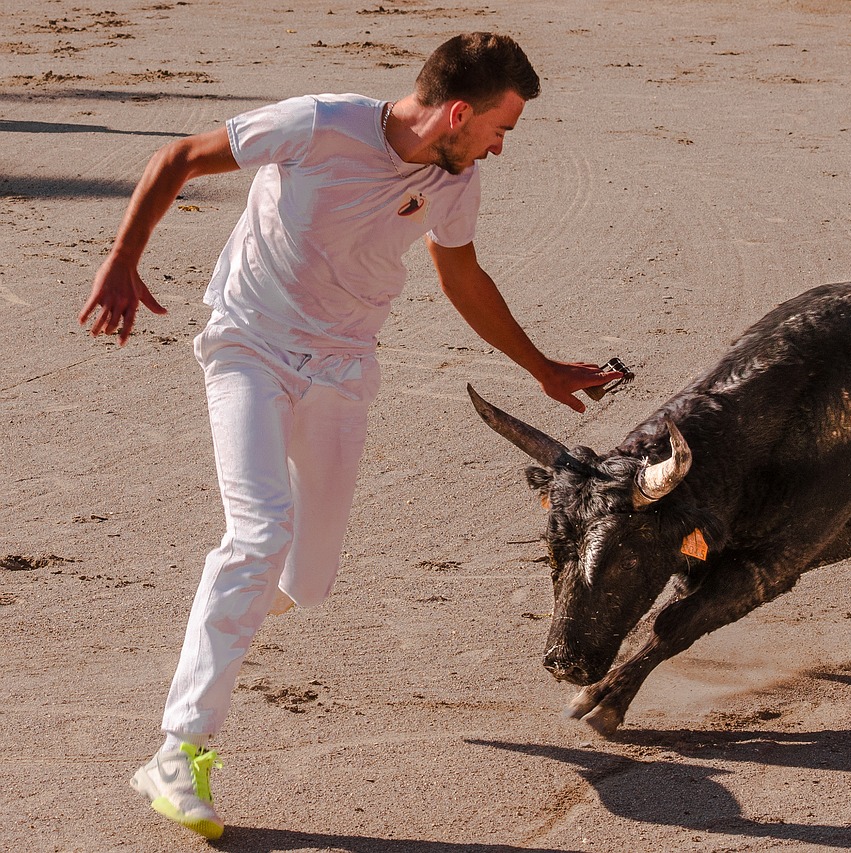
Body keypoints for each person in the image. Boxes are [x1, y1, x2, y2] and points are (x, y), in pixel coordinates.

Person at [79, 32, 620, 841]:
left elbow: (462, 277)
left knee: (309, 579)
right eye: (500, 128)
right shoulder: (318, 124)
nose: (500, 148)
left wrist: (539, 366)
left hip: (341, 367)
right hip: (249, 345)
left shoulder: (452, 178)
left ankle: (215, 625)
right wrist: (122, 259)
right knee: (258, 535)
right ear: (459, 111)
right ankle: (180, 748)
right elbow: (181, 157)